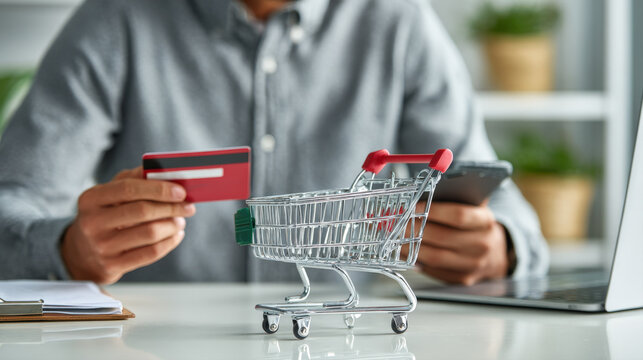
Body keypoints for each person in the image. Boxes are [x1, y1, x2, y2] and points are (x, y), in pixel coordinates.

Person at [0, 0, 548, 285]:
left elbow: (502, 205)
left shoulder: (401, 24)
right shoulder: (115, 19)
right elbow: (12, 202)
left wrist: (499, 246)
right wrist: (69, 249)